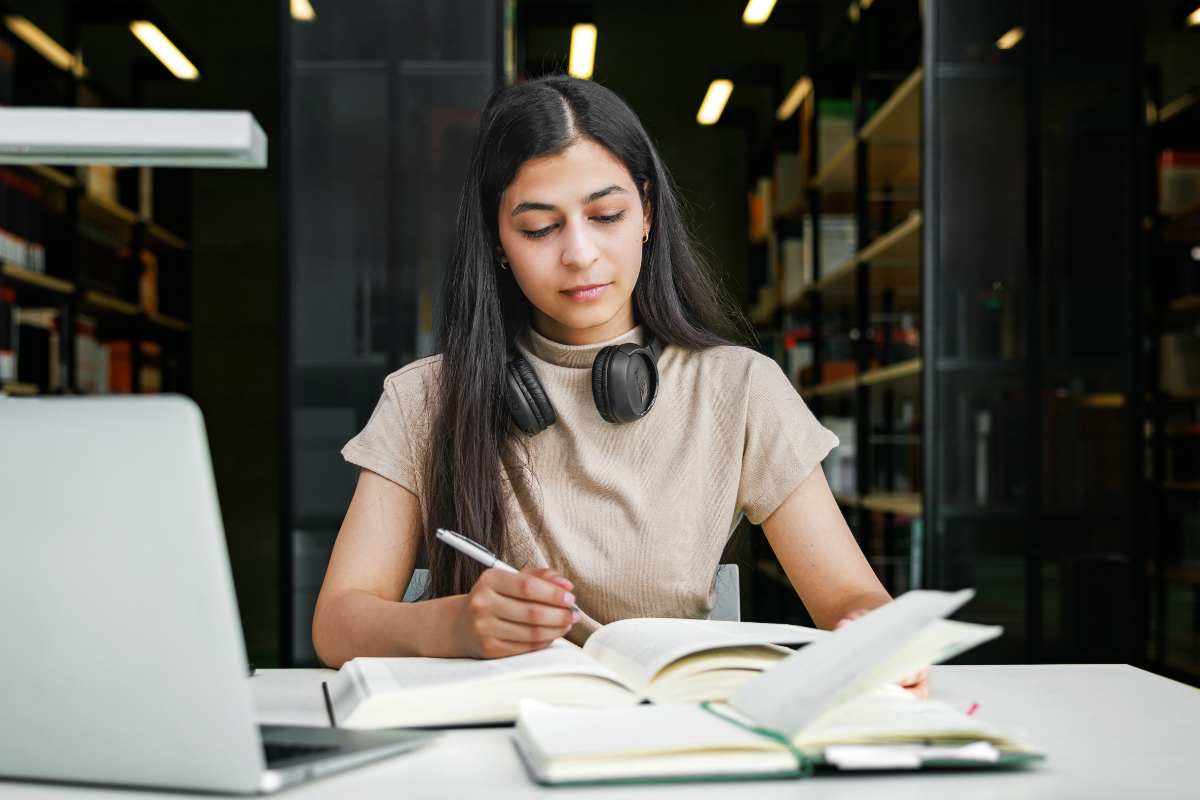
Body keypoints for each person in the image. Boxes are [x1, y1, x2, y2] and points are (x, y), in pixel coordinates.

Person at [312, 74, 926, 696]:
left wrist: (873, 638)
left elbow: (852, 596)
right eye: (538, 228)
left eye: (606, 215)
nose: (580, 254)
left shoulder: (738, 388)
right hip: (494, 741)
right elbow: (337, 623)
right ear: (498, 241)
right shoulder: (425, 399)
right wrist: (450, 626)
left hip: (671, 737)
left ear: (647, 213)